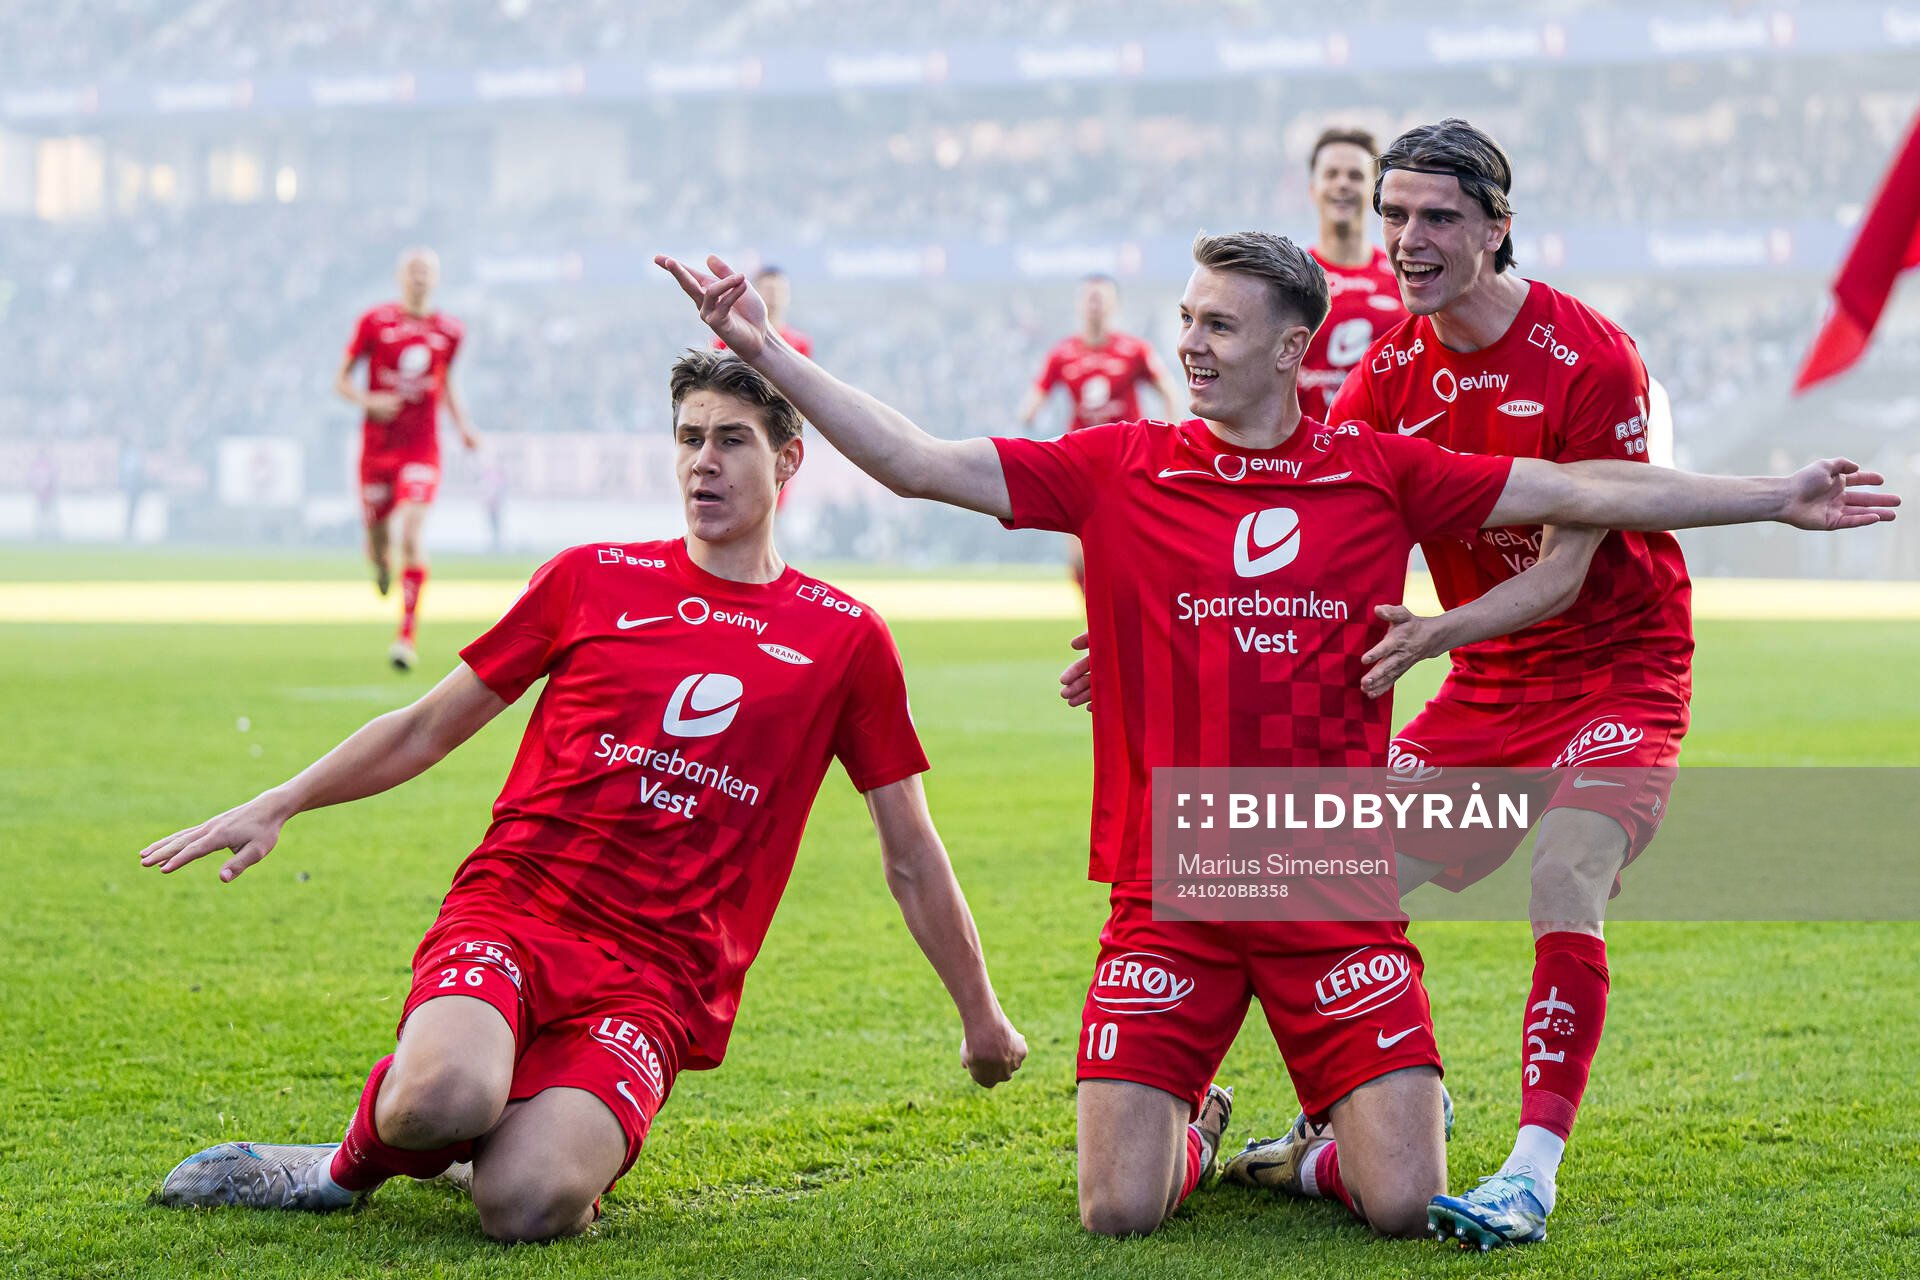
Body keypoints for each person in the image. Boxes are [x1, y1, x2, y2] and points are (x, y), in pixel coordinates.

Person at [655, 238, 1892, 1241]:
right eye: (1184, 319)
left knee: (1405, 1202)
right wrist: (764, 348)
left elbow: (1591, 489)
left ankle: (1318, 1153)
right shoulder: (1120, 466)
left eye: (1219, 326)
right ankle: (1193, 1123)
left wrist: (1773, 498)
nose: (1188, 343)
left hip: (1326, 882)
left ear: (1294, 348)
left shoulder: (1379, 470)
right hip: (1174, 882)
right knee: (1117, 1210)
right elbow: (917, 461)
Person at [144, 351, 1027, 1242]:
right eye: (689, 439)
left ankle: (501, 1136)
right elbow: (426, 728)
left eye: (732, 440)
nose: (703, 462)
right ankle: (336, 1170)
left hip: (658, 976)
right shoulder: (590, 578)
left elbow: (909, 849)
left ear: (789, 460)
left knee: (525, 1206)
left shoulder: (845, 640)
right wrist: (282, 801)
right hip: (517, 910)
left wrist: (981, 1016)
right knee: (444, 1095)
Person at [334, 247, 481, 672]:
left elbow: (446, 383)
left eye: (427, 271)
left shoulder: (449, 331)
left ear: (435, 280)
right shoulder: (375, 322)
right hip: (377, 449)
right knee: (381, 542)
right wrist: (368, 400)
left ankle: (406, 636)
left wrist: (464, 427)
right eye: (413, 270)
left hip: (422, 448)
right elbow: (340, 381)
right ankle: (380, 564)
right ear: (401, 277)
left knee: (412, 535)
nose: (419, 277)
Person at [1019, 274, 1182, 591]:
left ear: (1114, 306)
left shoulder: (1134, 350)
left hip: (1127, 460)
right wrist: (1031, 422)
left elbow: (1168, 391)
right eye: (1089, 298)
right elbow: (1032, 405)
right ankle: (1095, 618)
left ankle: (1133, 608)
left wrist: (1170, 434)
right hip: (1079, 463)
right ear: (1079, 305)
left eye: (1101, 298)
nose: (1095, 304)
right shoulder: (1062, 353)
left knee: (1131, 544)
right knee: (1078, 556)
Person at [1296, 127, 1408, 421]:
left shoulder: (1406, 276)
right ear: (1312, 189)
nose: (1342, 184)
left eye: (1355, 176)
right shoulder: (1288, 278)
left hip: (1382, 455)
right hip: (1305, 459)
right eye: (1331, 174)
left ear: (1376, 191)